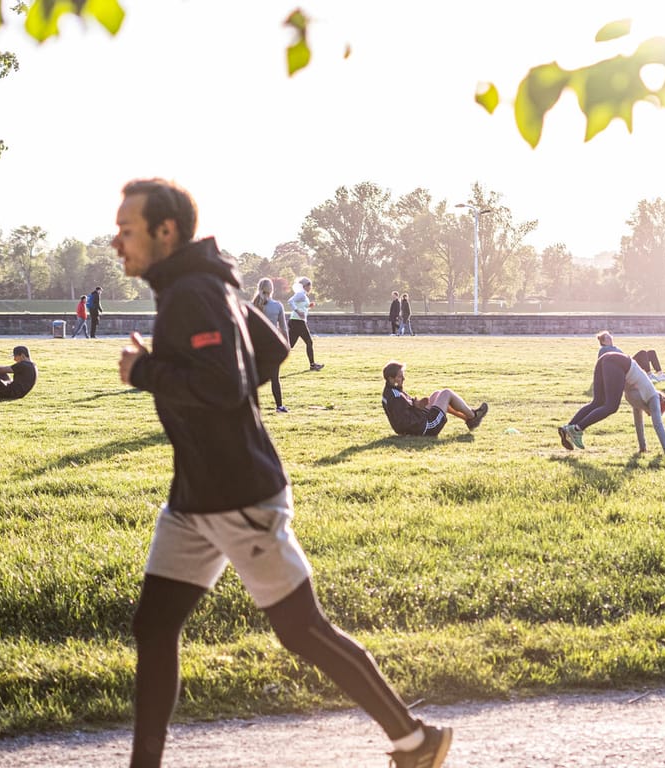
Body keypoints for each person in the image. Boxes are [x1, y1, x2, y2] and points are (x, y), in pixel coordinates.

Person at [110, 179, 450, 768]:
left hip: (239, 494)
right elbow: (272, 350)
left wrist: (146, 372)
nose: (116, 242)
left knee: (303, 630)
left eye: (127, 229)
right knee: (155, 624)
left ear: (165, 232)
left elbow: (222, 384)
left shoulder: (193, 292)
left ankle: (416, 740)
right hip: (194, 498)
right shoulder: (204, 286)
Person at [559, 350, 665, 452]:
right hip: (617, 363)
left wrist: (642, 448)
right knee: (611, 406)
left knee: (597, 402)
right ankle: (577, 430)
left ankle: (567, 428)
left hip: (605, 359)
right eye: (654, 412)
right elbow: (658, 424)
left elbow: (638, 423)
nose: (649, 414)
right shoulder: (653, 396)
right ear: (658, 406)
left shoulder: (639, 396)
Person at [381, 361, 488, 436]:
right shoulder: (396, 396)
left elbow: (403, 411)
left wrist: (415, 404)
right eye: (400, 376)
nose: (403, 378)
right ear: (391, 378)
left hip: (417, 422)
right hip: (425, 427)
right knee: (446, 393)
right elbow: (403, 420)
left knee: (437, 394)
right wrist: (415, 408)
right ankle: (473, 416)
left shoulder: (391, 391)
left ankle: (468, 419)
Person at [253, 277, 291, 413]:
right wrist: (288, 344)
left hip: (255, 345)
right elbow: (284, 328)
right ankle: (279, 406)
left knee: (251, 377)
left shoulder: (253, 305)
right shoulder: (277, 306)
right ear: (271, 289)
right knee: (275, 377)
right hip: (270, 345)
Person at [595, 330, 665, 382]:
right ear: (603, 342)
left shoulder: (614, 348)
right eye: (608, 337)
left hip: (627, 363)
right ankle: (649, 375)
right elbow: (602, 363)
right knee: (642, 353)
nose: (610, 338)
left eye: (610, 336)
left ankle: (660, 375)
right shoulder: (604, 349)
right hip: (625, 368)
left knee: (651, 352)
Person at [287, 276, 324, 371]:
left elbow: (301, 306)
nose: (311, 288)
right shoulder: (301, 294)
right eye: (310, 286)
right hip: (297, 321)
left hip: (296, 321)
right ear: (305, 286)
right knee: (309, 342)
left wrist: (308, 306)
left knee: (289, 345)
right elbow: (290, 301)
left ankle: (271, 360)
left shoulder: (303, 295)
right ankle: (312, 365)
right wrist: (298, 311)